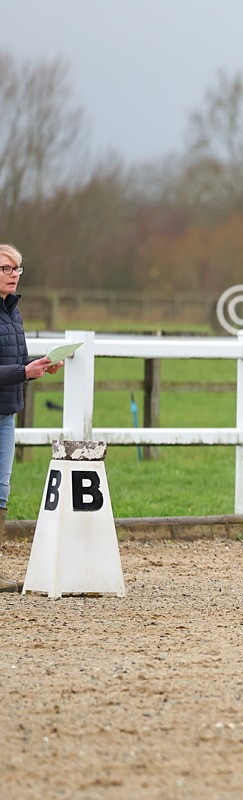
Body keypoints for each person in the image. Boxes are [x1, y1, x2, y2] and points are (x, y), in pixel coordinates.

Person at [0, 244, 59, 592]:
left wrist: (40, 366)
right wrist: (24, 370)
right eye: (6, 269)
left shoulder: (14, 314)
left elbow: (20, 362)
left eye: (17, 269)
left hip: (6, 414)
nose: (13, 275)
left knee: (1, 491)